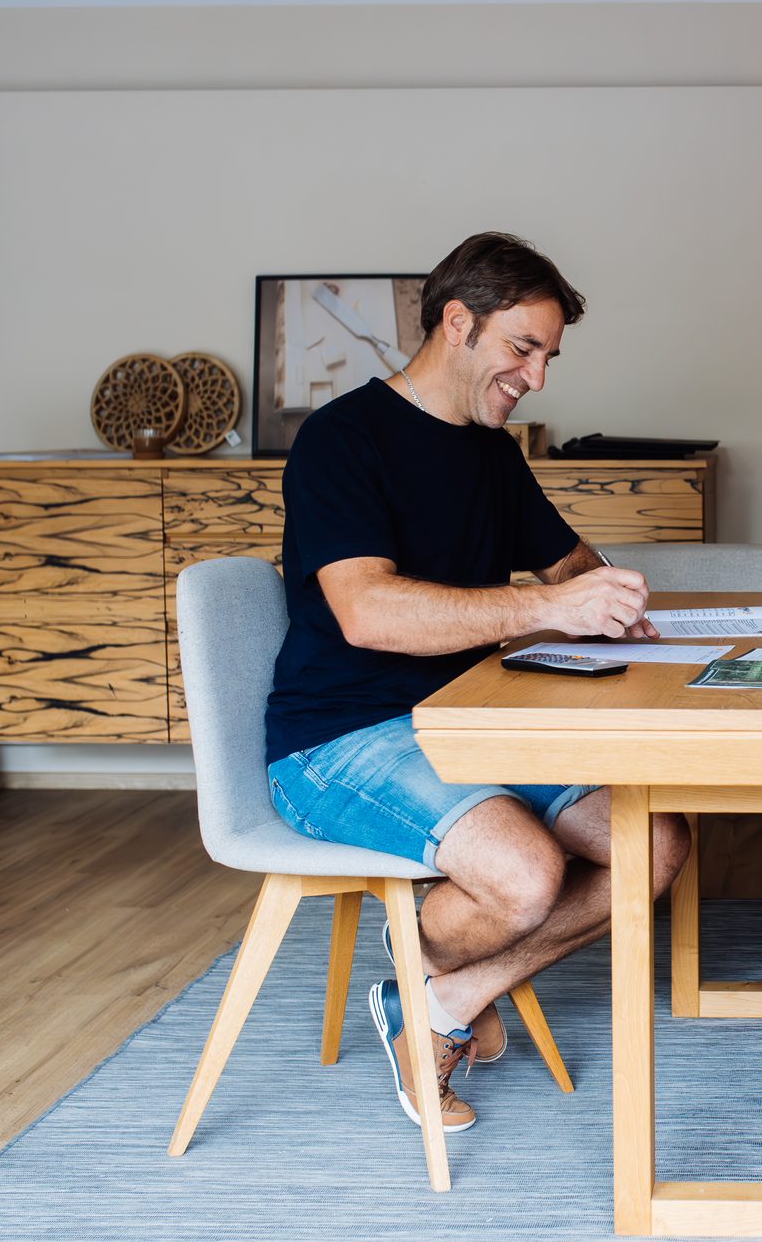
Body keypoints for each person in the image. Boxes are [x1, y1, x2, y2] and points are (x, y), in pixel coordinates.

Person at [263, 232, 690, 1133]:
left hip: (468, 722)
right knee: (529, 876)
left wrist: (606, 596)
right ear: (457, 322)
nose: (536, 377)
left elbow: (567, 561)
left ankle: (438, 997)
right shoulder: (342, 439)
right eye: (521, 348)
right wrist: (547, 610)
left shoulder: (492, 453)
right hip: (340, 736)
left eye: (548, 356)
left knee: (655, 844)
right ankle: (435, 956)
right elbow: (368, 613)